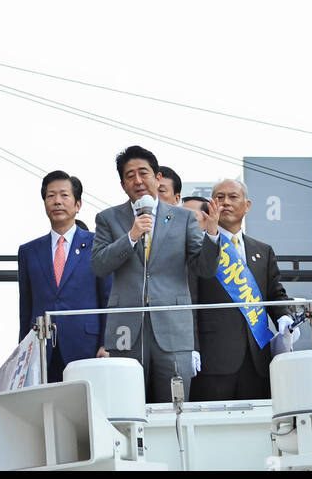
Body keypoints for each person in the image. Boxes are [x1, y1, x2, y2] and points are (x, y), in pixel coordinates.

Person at [91, 144, 221, 402]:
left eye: (144, 173)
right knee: (127, 406)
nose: (137, 180)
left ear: (157, 177)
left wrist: (213, 234)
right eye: (130, 176)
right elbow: (99, 265)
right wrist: (131, 236)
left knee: (174, 409)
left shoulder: (183, 218)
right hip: (126, 329)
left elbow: (204, 268)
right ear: (123, 184)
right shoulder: (108, 218)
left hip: (173, 329)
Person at [191, 176, 292, 402]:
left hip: (257, 359)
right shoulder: (197, 247)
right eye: (220, 197)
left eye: (233, 197)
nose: (226, 202)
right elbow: (191, 301)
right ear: (211, 205)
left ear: (247, 206)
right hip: (213, 360)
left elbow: (275, 293)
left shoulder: (263, 251)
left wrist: (284, 316)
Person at [18, 170, 111, 381]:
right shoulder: (29, 251)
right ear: (44, 204)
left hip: (86, 347)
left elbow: (107, 298)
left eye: (64, 195)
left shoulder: (98, 244)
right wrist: (23, 353)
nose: (57, 201)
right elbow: (26, 307)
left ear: (78, 205)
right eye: (51, 196)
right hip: (42, 349)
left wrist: (106, 343)